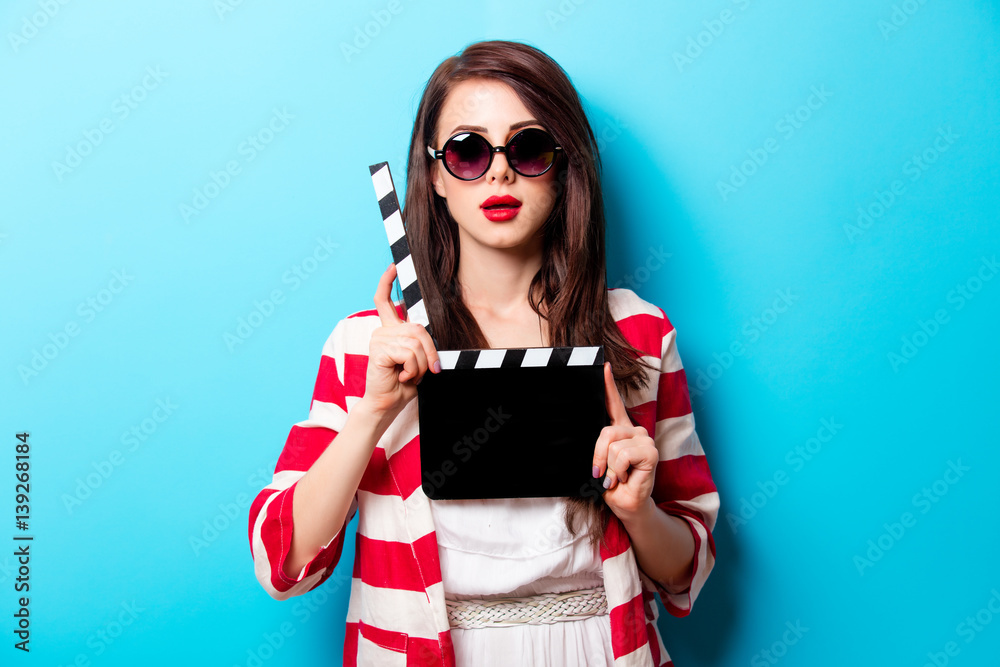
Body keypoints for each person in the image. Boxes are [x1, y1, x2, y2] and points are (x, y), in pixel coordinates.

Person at [248, 39, 720, 666]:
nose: (498, 172)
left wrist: (637, 509)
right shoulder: (369, 344)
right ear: (437, 174)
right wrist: (370, 414)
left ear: (563, 165)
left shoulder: (636, 332)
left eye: (527, 148)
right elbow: (282, 565)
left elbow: (687, 569)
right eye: (469, 151)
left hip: (598, 648)